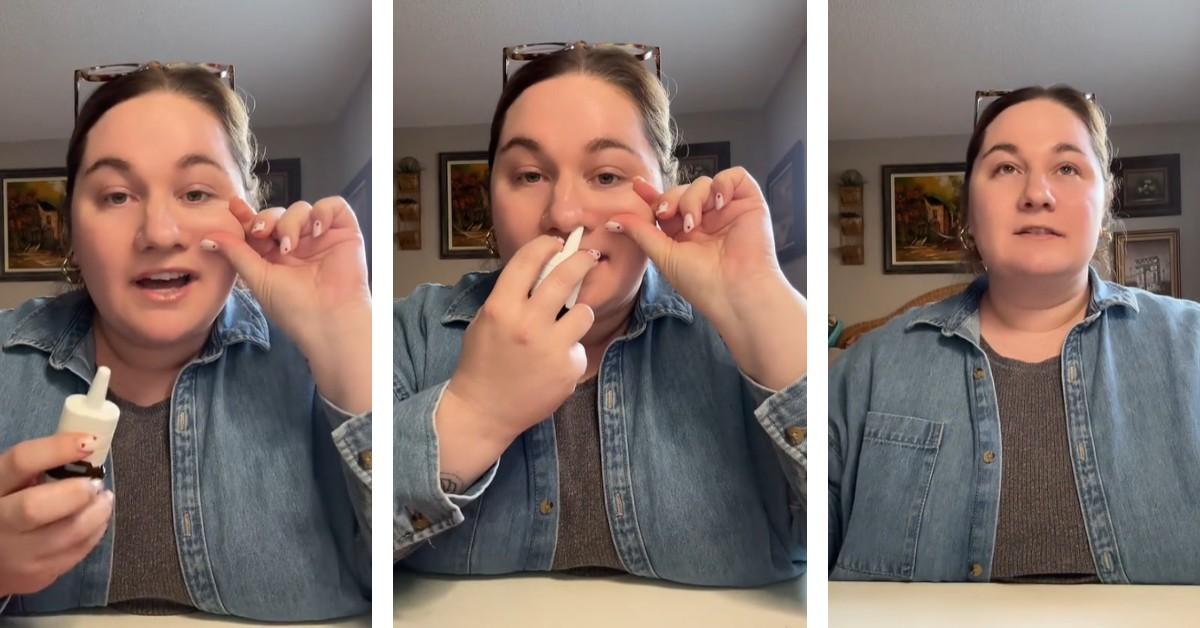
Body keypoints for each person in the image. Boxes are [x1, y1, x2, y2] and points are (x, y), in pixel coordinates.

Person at [395, 44, 807, 586]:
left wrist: (762, 307)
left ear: (663, 194)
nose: (563, 214)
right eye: (528, 175)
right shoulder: (413, 331)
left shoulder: (732, 334)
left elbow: (842, 531)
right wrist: (473, 413)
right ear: (491, 202)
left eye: (608, 176)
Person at [0, 63, 371, 620]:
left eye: (196, 193)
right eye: (117, 196)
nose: (160, 234)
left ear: (247, 214)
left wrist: (348, 349)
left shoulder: (320, 361)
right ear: (71, 230)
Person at [830, 85, 1200, 584]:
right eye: (1006, 168)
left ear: (1105, 199)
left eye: (1067, 168)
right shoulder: (866, 368)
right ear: (968, 210)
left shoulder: (1191, 347)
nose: (1036, 194)